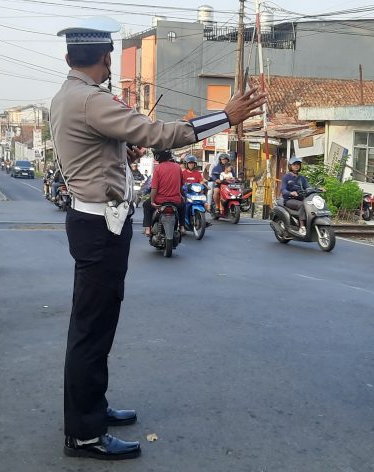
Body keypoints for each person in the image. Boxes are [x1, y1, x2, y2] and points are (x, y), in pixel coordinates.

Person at [49, 16, 265, 460]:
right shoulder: (90, 100)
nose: (111, 62)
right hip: (99, 229)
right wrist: (224, 117)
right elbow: (160, 133)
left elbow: (99, 147)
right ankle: (84, 433)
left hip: (93, 223)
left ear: (71, 56)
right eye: (110, 55)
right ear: (105, 57)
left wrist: (119, 151)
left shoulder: (69, 95)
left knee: (96, 325)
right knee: (92, 331)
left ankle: (93, 410)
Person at [142, 149, 184, 236]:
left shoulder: (158, 168)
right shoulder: (177, 167)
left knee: (146, 205)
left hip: (160, 201)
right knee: (183, 205)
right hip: (176, 201)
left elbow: (154, 188)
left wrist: (152, 201)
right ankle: (182, 227)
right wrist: (181, 196)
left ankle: (147, 228)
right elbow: (181, 185)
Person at [281, 156, 310, 228]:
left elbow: (308, 187)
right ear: (290, 166)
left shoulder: (302, 178)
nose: (296, 166)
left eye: (298, 164)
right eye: (294, 164)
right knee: (302, 205)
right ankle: (302, 226)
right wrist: (291, 193)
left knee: (311, 204)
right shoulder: (286, 177)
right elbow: (283, 190)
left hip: (301, 198)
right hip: (289, 199)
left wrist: (318, 189)